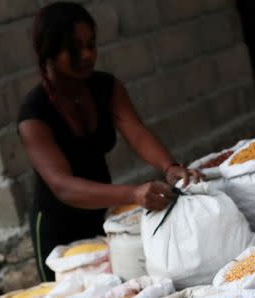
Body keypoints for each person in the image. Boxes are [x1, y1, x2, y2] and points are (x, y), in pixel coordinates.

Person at [18, 2, 202, 282]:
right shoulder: (34, 113)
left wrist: (168, 166)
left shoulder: (105, 87)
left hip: (104, 212)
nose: (87, 55)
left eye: (91, 44)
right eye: (74, 48)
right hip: (58, 227)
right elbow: (62, 186)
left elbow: (136, 132)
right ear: (50, 52)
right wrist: (132, 194)